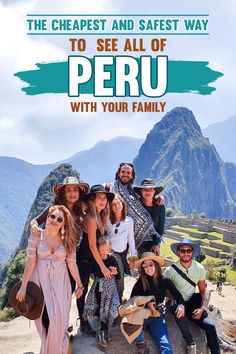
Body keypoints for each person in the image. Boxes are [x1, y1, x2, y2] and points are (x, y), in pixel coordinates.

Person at [16, 205, 83, 354]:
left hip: (60, 284)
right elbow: (30, 262)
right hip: (40, 282)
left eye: (59, 219)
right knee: (44, 320)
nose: (55, 220)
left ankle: (58, 348)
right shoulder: (36, 236)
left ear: (64, 224)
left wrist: (79, 284)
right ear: (47, 217)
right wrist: (23, 286)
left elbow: (72, 264)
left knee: (58, 321)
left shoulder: (68, 240)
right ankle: (51, 349)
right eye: (52, 216)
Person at [165, 239, 221, 354]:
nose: (186, 253)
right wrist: (172, 296)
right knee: (177, 309)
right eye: (183, 251)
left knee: (210, 326)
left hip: (190, 303)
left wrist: (202, 308)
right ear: (178, 252)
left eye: (188, 251)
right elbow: (163, 291)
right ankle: (191, 343)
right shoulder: (170, 271)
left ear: (192, 252)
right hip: (176, 302)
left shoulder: (199, 268)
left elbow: (202, 291)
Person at [76, 184, 115, 333]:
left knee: (101, 283)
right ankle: (83, 321)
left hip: (93, 257)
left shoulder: (100, 216)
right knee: (83, 289)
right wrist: (103, 266)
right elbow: (92, 246)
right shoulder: (92, 218)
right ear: (92, 200)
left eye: (104, 197)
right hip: (85, 258)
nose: (102, 201)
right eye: (98, 198)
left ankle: (97, 312)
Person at [131, 252, 185, 354]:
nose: (148, 267)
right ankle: (141, 343)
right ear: (142, 268)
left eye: (150, 264)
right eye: (145, 265)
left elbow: (177, 295)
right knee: (128, 322)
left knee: (165, 345)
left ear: (155, 264)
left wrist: (181, 305)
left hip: (157, 316)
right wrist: (146, 304)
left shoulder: (165, 280)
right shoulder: (140, 282)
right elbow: (132, 301)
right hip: (141, 316)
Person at [105, 162, 163, 255]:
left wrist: (157, 197)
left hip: (125, 236)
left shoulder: (132, 194)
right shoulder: (109, 187)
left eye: (128, 173)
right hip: (108, 232)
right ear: (118, 173)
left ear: (132, 176)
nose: (125, 174)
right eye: (123, 171)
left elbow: (146, 198)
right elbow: (96, 195)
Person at [83, 237, 120, 348]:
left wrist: (115, 272)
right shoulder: (94, 260)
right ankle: (103, 332)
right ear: (97, 249)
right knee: (103, 308)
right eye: (102, 250)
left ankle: (105, 327)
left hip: (111, 287)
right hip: (100, 287)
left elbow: (118, 276)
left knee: (111, 308)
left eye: (107, 250)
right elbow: (89, 273)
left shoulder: (112, 259)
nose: (104, 252)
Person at [107, 193, 137, 301]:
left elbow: (131, 240)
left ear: (122, 204)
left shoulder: (129, 221)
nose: (116, 206)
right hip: (109, 255)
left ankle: (117, 303)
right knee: (109, 281)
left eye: (118, 203)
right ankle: (109, 305)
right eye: (113, 204)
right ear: (110, 206)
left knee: (120, 283)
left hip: (121, 254)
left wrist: (133, 257)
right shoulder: (107, 220)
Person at [133, 178, 165, 245]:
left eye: (151, 189)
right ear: (141, 191)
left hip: (154, 242)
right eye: (145, 189)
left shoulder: (160, 206)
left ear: (154, 192)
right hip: (137, 243)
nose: (148, 192)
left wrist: (156, 244)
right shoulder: (135, 205)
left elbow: (161, 227)